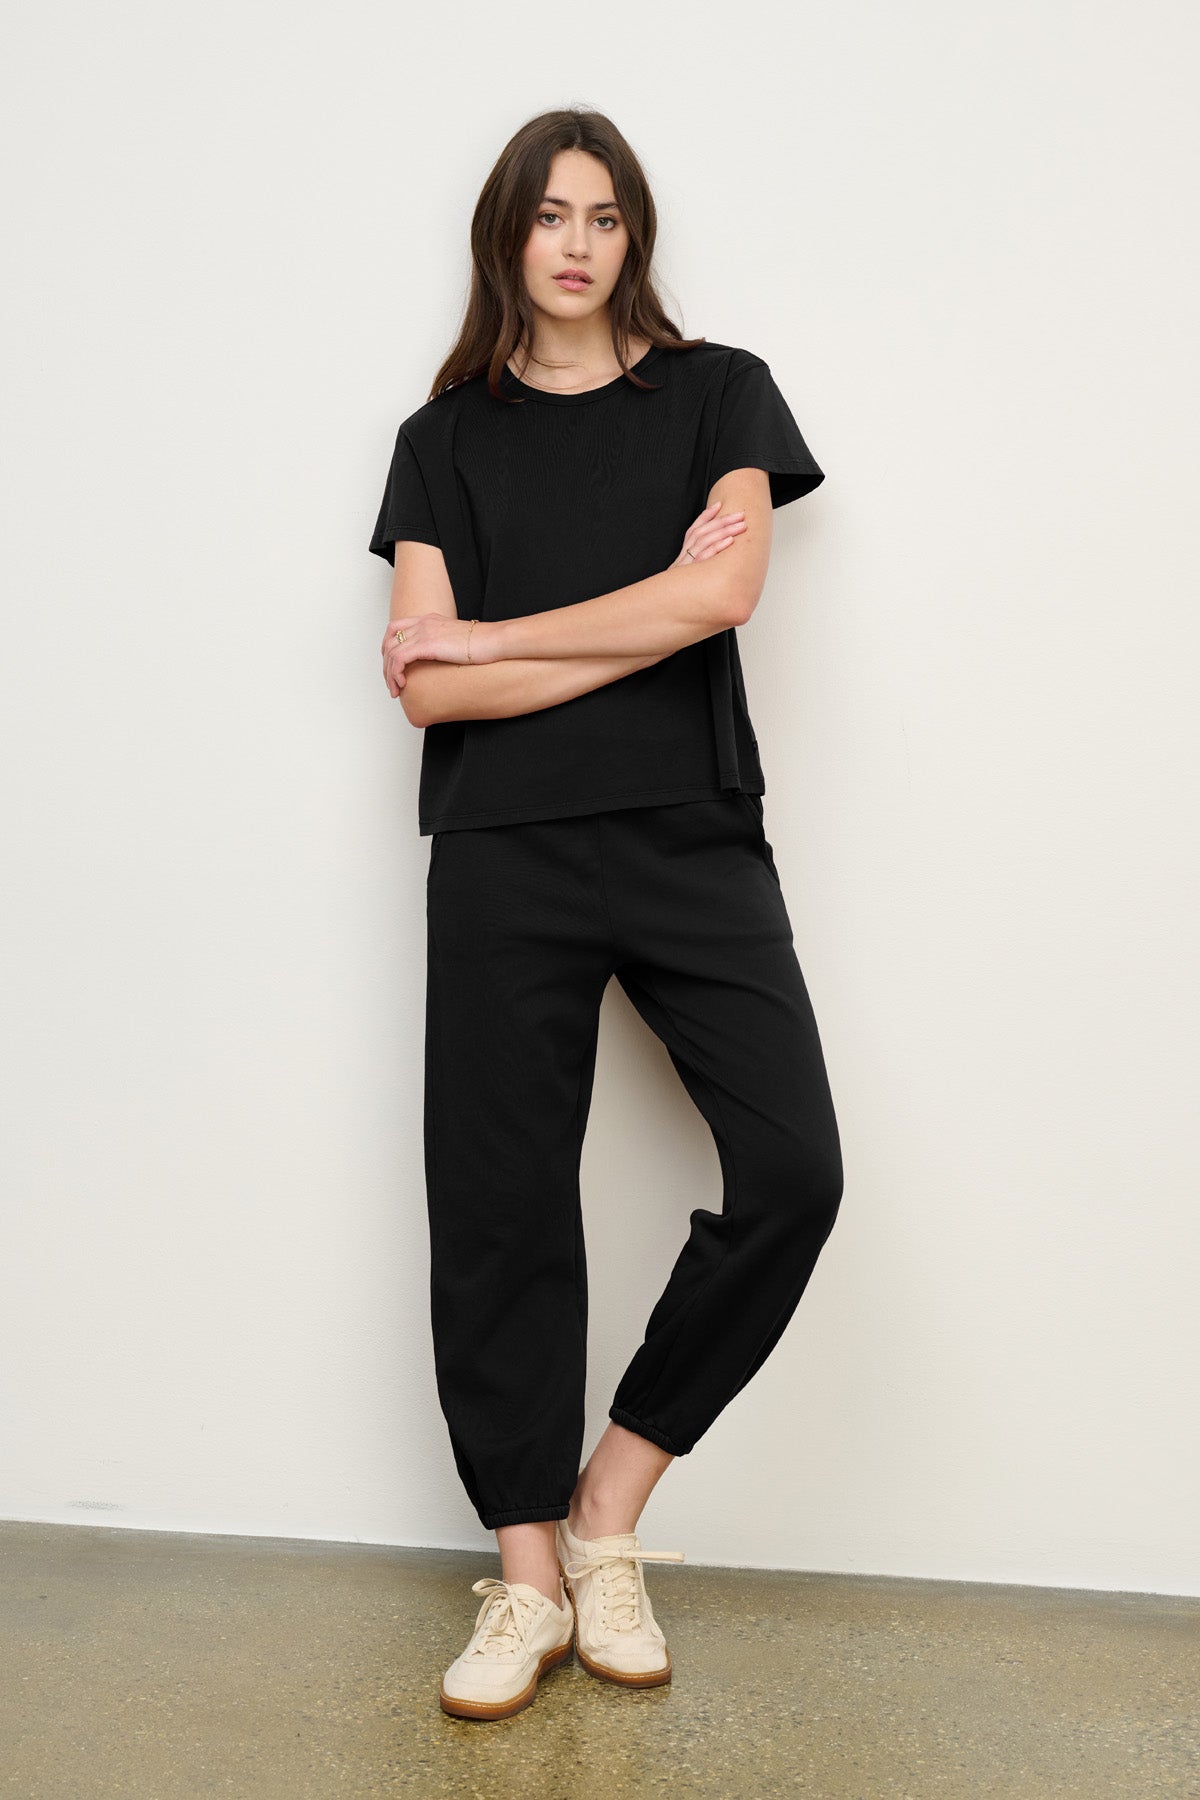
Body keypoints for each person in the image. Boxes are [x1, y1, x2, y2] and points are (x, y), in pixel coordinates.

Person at [368, 107, 844, 1722]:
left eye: (608, 215)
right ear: (506, 236)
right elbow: (424, 697)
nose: (577, 242)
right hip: (501, 845)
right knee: (500, 1206)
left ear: (637, 237)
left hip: (691, 837)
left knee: (793, 1167)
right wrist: (583, 628)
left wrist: (492, 640)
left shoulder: (722, 392)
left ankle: (607, 1515)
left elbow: (720, 597)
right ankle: (524, 1581)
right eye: (549, 214)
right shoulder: (443, 439)